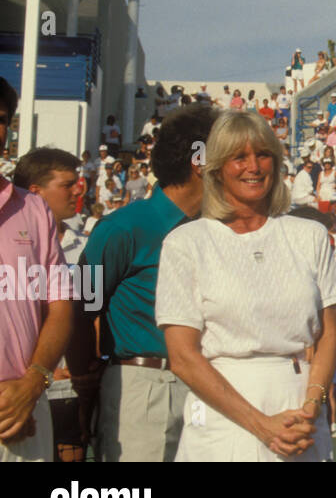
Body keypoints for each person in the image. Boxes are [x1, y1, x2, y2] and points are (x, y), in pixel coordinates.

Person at [155, 111, 336, 461]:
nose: (253, 167)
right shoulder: (185, 243)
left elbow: (328, 333)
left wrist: (311, 405)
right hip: (222, 413)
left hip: (300, 413)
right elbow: (182, 357)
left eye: (263, 154)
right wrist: (262, 425)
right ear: (217, 169)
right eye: (239, 157)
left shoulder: (310, 236)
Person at [66, 105, 219, 462]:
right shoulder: (120, 228)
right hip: (145, 388)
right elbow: (81, 309)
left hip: (211, 386)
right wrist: (86, 386)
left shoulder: (218, 230)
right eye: (229, 153)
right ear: (200, 162)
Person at [0, 77, 74, 462]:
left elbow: (60, 307)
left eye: (0, 119)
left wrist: (33, 383)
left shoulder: (33, 209)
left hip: (25, 411)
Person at [12, 147, 87, 462]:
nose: (78, 191)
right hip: (25, 387)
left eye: (77, 183)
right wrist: (42, 371)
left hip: (70, 388)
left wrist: (81, 369)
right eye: (67, 184)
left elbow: (88, 316)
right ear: (36, 192)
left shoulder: (85, 246)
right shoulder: (12, 246)